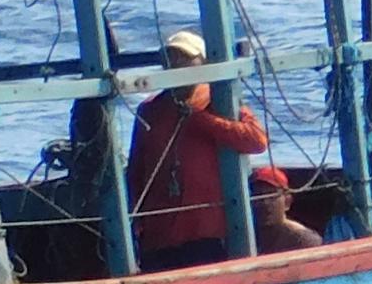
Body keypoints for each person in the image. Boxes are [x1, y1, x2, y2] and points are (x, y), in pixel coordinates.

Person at [127, 28, 317, 263]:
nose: (177, 65)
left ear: (203, 63)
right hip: (160, 233)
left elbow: (256, 140)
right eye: (171, 58)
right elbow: (136, 169)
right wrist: (136, 218)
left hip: (208, 234)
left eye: (185, 58)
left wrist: (200, 119)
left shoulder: (220, 101)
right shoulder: (150, 109)